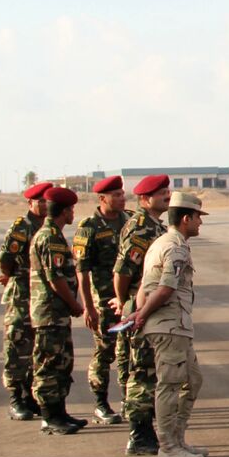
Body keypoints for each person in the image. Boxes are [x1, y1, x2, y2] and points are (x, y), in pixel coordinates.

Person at [125, 192, 209, 457]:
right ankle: (169, 447)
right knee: (170, 385)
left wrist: (140, 312)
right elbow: (164, 288)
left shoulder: (160, 242)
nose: (200, 223)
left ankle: (178, 438)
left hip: (174, 325)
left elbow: (144, 286)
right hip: (170, 325)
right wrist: (142, 315)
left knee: (193, 380)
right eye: (198, 217)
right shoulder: (175, 246)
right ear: (186, 218)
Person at [112, 173, 171, 456]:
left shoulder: (155, 226)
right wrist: (128, 304)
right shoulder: (139, 229)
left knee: (149, 369)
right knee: (142, 370)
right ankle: (139, 433)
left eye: (168, 192)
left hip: (148, 306)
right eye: (162, 194)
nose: (168, 197)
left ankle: (145, 428)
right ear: (146, 199)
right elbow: (122, 272)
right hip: (140, 308)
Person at [73, 175, 130, 425]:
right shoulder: (89, 227)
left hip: (127, 300)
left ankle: (130, 400)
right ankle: (100, 403)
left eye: (122, 193)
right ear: (102, 198)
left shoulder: (129, 220)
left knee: (129, 350)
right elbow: (82, 271)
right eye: (116, 194)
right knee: (105, 351)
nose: (121, 198)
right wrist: (88, 306)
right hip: (104, 301)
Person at [30, 187, 87, 435]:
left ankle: (60, 413)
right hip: (49, 313)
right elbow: (56, 278)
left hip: (56, 313)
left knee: (62, 363)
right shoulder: (50, 237)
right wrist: (74, 304)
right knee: (49, 364)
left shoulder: (53, 235)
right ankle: (50, 417)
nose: (73, 213)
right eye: (72, 209)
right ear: (64, 211)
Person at [0, 181, 53, 421]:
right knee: (16, 343)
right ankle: (15, 398)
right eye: (39, 201)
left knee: (35, 347)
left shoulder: (49, 226)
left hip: (40, 295)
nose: (43, 204)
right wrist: (11, 275)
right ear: (30, 203)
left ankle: (30, 397)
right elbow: (6, 258)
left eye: (45, 201)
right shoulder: (23, 227)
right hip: (21, 293)